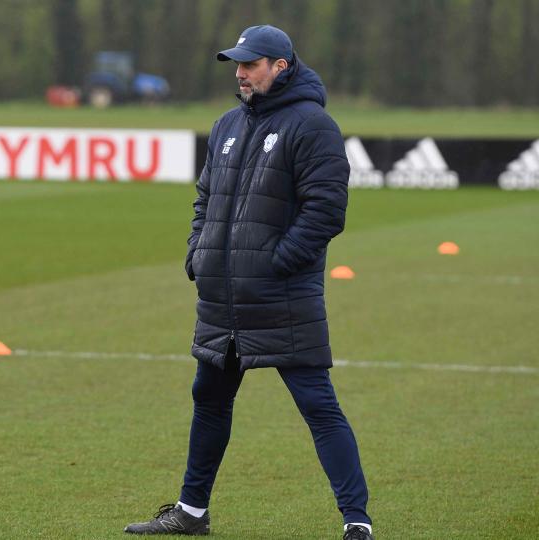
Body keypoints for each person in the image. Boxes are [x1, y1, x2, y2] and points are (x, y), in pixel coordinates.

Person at [124, 24, 373, 540]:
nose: (240, 72)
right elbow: (205, 199)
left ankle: (357, 522)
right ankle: (191, 513)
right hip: (223, 298)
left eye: (250, 64)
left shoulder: (314, 125)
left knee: (317, 405)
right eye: (236, 64)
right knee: (208, 399)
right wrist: (199, 253)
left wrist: (277, 262)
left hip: (282, 296)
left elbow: (326, 211)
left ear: (280, 66)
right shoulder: (226, 126)